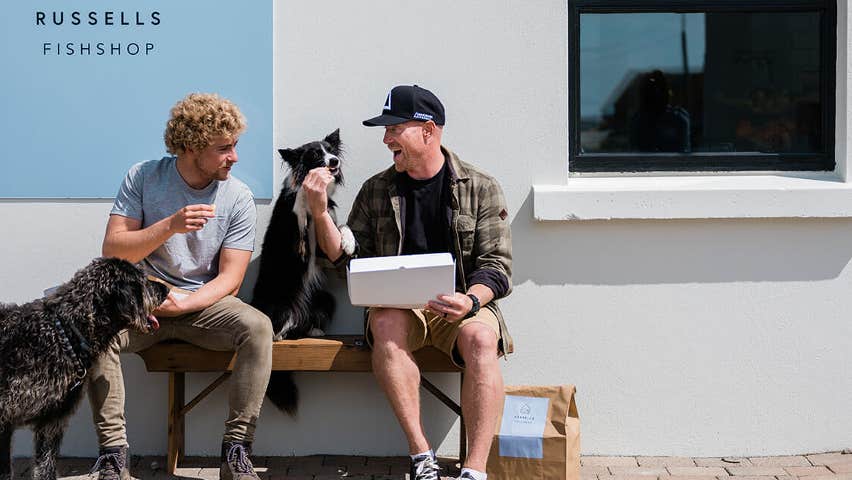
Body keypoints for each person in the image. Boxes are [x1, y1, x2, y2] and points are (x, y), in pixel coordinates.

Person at [304, 85, 513, 480]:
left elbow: (497, 267)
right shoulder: (376, 189)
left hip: (462, 305)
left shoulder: (481, 187)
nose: (385, 140)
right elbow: (344, 259)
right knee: (384, 323)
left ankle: (474, 471)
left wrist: (470, 301)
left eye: (393, 129)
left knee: (483, 339)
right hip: (399, 309)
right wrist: (319, 215)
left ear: (428, 131)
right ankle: (422, 457)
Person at [88, 93, 272, 480]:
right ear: (192, 146)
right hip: (142, 300)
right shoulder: (143, 176)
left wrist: (183, 304)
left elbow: (231, 278)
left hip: (200, 303)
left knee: (257, 327)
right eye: (224, 148)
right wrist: (169, 226)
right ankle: (113, 457)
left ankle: (236, 452)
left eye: (235, 146)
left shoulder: (237, 197)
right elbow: (113, 250)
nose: (234, 157)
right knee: (95, 329)